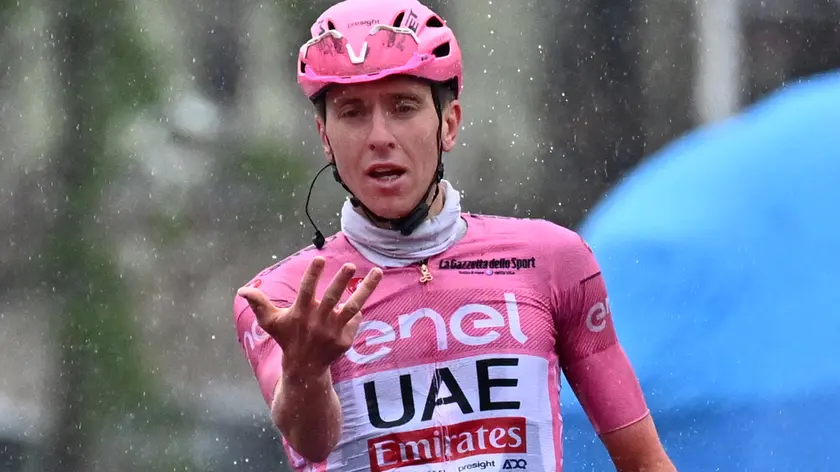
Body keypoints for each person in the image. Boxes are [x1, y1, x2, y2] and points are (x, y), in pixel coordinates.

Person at [233, 0, 676, 470]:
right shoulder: (281, 297)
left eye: (403, 108)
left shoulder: (553, 260)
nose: (379, 136)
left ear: (448, 124)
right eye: (353, 113)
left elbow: (644, 462)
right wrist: (305, 369)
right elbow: (312, 443)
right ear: (325, 136)